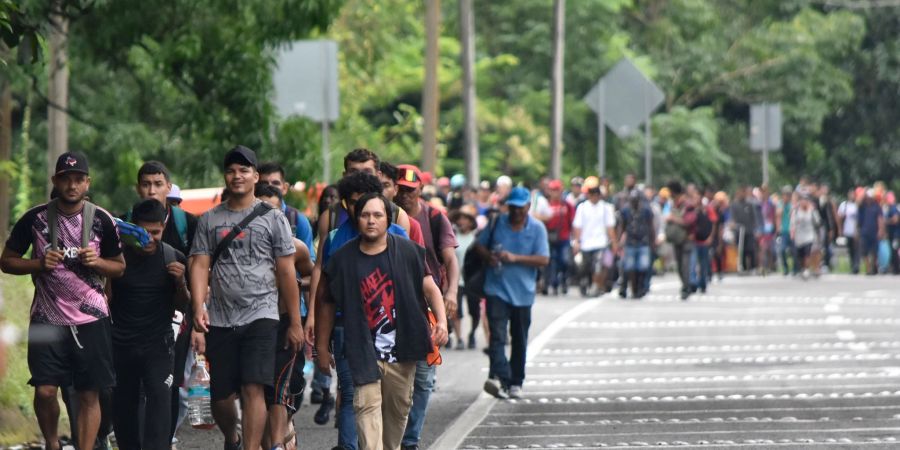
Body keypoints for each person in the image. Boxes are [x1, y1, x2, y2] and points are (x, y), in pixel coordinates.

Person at [1, 152, 125, 450]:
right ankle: (53, 443)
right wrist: (38, 264)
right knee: (44, 390)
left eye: (78, 179)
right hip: (47, 317)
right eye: (66, 179)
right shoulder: (34, 218)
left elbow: (119, 267)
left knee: (89, 393)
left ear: (87, 183)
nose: (72, 185)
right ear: (55, 180)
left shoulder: (102, 219)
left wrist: (97, 263)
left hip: (91, 319)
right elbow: (6, 261)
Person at [189, 145, 302, 450]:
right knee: (222, 395)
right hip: (222, 317)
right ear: (225, 176)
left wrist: (294, 321)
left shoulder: (273, 218)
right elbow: (199, 264)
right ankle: (232, 437)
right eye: (231, 170)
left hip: (262, 314)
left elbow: (287, 272)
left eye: (243, 170)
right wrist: (199, 306)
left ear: (255, 176)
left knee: (254, 386)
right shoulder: (209, 220)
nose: (237, 176)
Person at [316, 193, 448, 450]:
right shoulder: (343, 259)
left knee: (397, 416)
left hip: (403, 351)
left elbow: (430, 288)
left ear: (388, 219)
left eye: (377, 215)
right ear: (357, 219)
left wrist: (441, 322)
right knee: (366, 411)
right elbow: (326, 303)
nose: (371, 221)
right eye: (365, 215)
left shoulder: (409, 251)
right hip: (362, 351)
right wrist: (322, 346)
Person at [316, 172, 413, 450]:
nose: (365, 215)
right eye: (354, 205)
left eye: (371, 209)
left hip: (394, 338)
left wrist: (436, 323)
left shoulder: (400, 237)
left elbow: (421, 286)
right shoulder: (337, 239)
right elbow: (325, 295)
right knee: (354, 396)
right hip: (349, 331)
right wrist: (321, 344)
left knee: (395, 406)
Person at [109, 199, 189, 450]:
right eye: (144, 232)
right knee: (125, 407)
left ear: (164, 227)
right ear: (134, 229)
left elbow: (185, 307)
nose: (150, 239)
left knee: (159, 401)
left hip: (158, 344)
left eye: (156, 232)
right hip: (121, 343)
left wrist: (181, 283)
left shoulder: (172, 257)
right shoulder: (117, 257)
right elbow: (105, 299)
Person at [131, 160, 200, 445]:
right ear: (138, 189)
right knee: (134, 386)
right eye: (146, 184)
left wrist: (198, 319)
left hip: (177, 319)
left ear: (168, 188)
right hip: (132, 319)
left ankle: (165, 438)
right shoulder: (124, 222)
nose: (151, 190)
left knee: (170, 384)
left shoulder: (188, 224)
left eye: (158, 184)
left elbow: (201, 271)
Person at [393, 164, 459, 450]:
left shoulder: (434, 217)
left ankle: (410, 440)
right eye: (401, 190)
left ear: (420, 189)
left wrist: (452, 293)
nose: (406, 195)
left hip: (427, 307)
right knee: (394, 376)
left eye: (411, 190)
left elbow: (450, 260)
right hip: (392, 306)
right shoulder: (384, 215)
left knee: (423, 377)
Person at [255, 183, 316, 450]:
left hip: (284, 323)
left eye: (274, 210)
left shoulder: (296, 248)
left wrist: (289, 282)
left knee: (280, 389)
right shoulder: (238, 245)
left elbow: (313, 277)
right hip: (246, 325)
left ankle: (278, 442)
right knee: (253, 390)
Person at [473, 187, 549, 399]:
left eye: (520, 208)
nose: (516, 211)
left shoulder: (537, 228)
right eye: (513, 207)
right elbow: (479, 244)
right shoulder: (497, 222)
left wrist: (515, 258)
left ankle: (516, 380)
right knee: (497, 335)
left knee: (519, 338)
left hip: (524, 292)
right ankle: (502, 378)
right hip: (496, 287)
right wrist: (489, 256)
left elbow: (544, 259)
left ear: (527, 207)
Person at [572, 181, 617, 297]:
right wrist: (577, 241)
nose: (595, 197)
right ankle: (584, 283)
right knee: (584, 267)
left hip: (600, 242)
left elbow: (610, 227)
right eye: (592, 195)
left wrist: (613, 242)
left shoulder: (605, 208)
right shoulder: (582, 207)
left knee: (598, 266)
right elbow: (577, 226)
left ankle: (595, 286)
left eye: (597, 195)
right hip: (586, 243)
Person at [451, 205, 481, 349]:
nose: (461, 221)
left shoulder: (476, 237)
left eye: (465, 219)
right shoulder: (452, 235)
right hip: (456, 279)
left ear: (471, 221)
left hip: (472, 280)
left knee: (474, 311)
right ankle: (459, 338)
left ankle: (472, 333)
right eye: (460, 218)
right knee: (456, 310)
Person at [618, 190, 655, 299]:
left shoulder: (646, 210)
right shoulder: (625, 210)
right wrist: (619, 240)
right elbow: (622, 226)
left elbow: (650, 226)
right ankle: (632, 289)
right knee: (629, 267)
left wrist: (652, 241)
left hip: (643, 242)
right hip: (630, 242)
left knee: (643, 267)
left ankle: (641, 287)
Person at [665, 181, 697, 300]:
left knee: (685, 265)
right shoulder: (674, 204)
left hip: (687, 239)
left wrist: (673, 219)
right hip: (677, 239)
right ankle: (685, 285)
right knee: (679, 265)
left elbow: (689, 221)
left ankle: (686, 287)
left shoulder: (687, 204)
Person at [542, 180, 575, 296]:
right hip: (548, 238)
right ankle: (551, 283)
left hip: (564, 237)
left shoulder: (567, 205)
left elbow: (573, 222)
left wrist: (575, 238)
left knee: (564, 260)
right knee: (550, 262)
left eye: (557, 190)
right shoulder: (545, 204)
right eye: (553, 190)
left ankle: (564, 280)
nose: (555, 193)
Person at [790, 195, 821, 280]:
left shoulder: (811, 210)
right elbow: (792, 223)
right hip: (799, 236)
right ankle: (803, 269)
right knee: (800, 255)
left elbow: (818, 221)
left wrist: (814, 210)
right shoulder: (796, 211)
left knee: (807, 253)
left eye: (806, 201)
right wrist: (792, 232)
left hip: (809, 235)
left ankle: (807, 269)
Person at [857, 189, 884, 275]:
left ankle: (874, 267)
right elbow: (857, 202)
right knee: (865, 252)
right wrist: (863, 194)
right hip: (864, 232)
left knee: (874, 252)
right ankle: (868, 269)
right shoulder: (862, 206)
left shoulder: (876, 206)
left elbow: (880, 219)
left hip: (874, 232)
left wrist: (880, 230)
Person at [838, 189, 861, 274]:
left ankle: (856, 266)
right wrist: (840, 230)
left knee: (857, 249)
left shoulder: (857, 205)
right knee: (850, 249)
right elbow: (840, 218)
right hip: (847, 230)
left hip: (855, 231)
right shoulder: (844, 205)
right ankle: (852, 266)